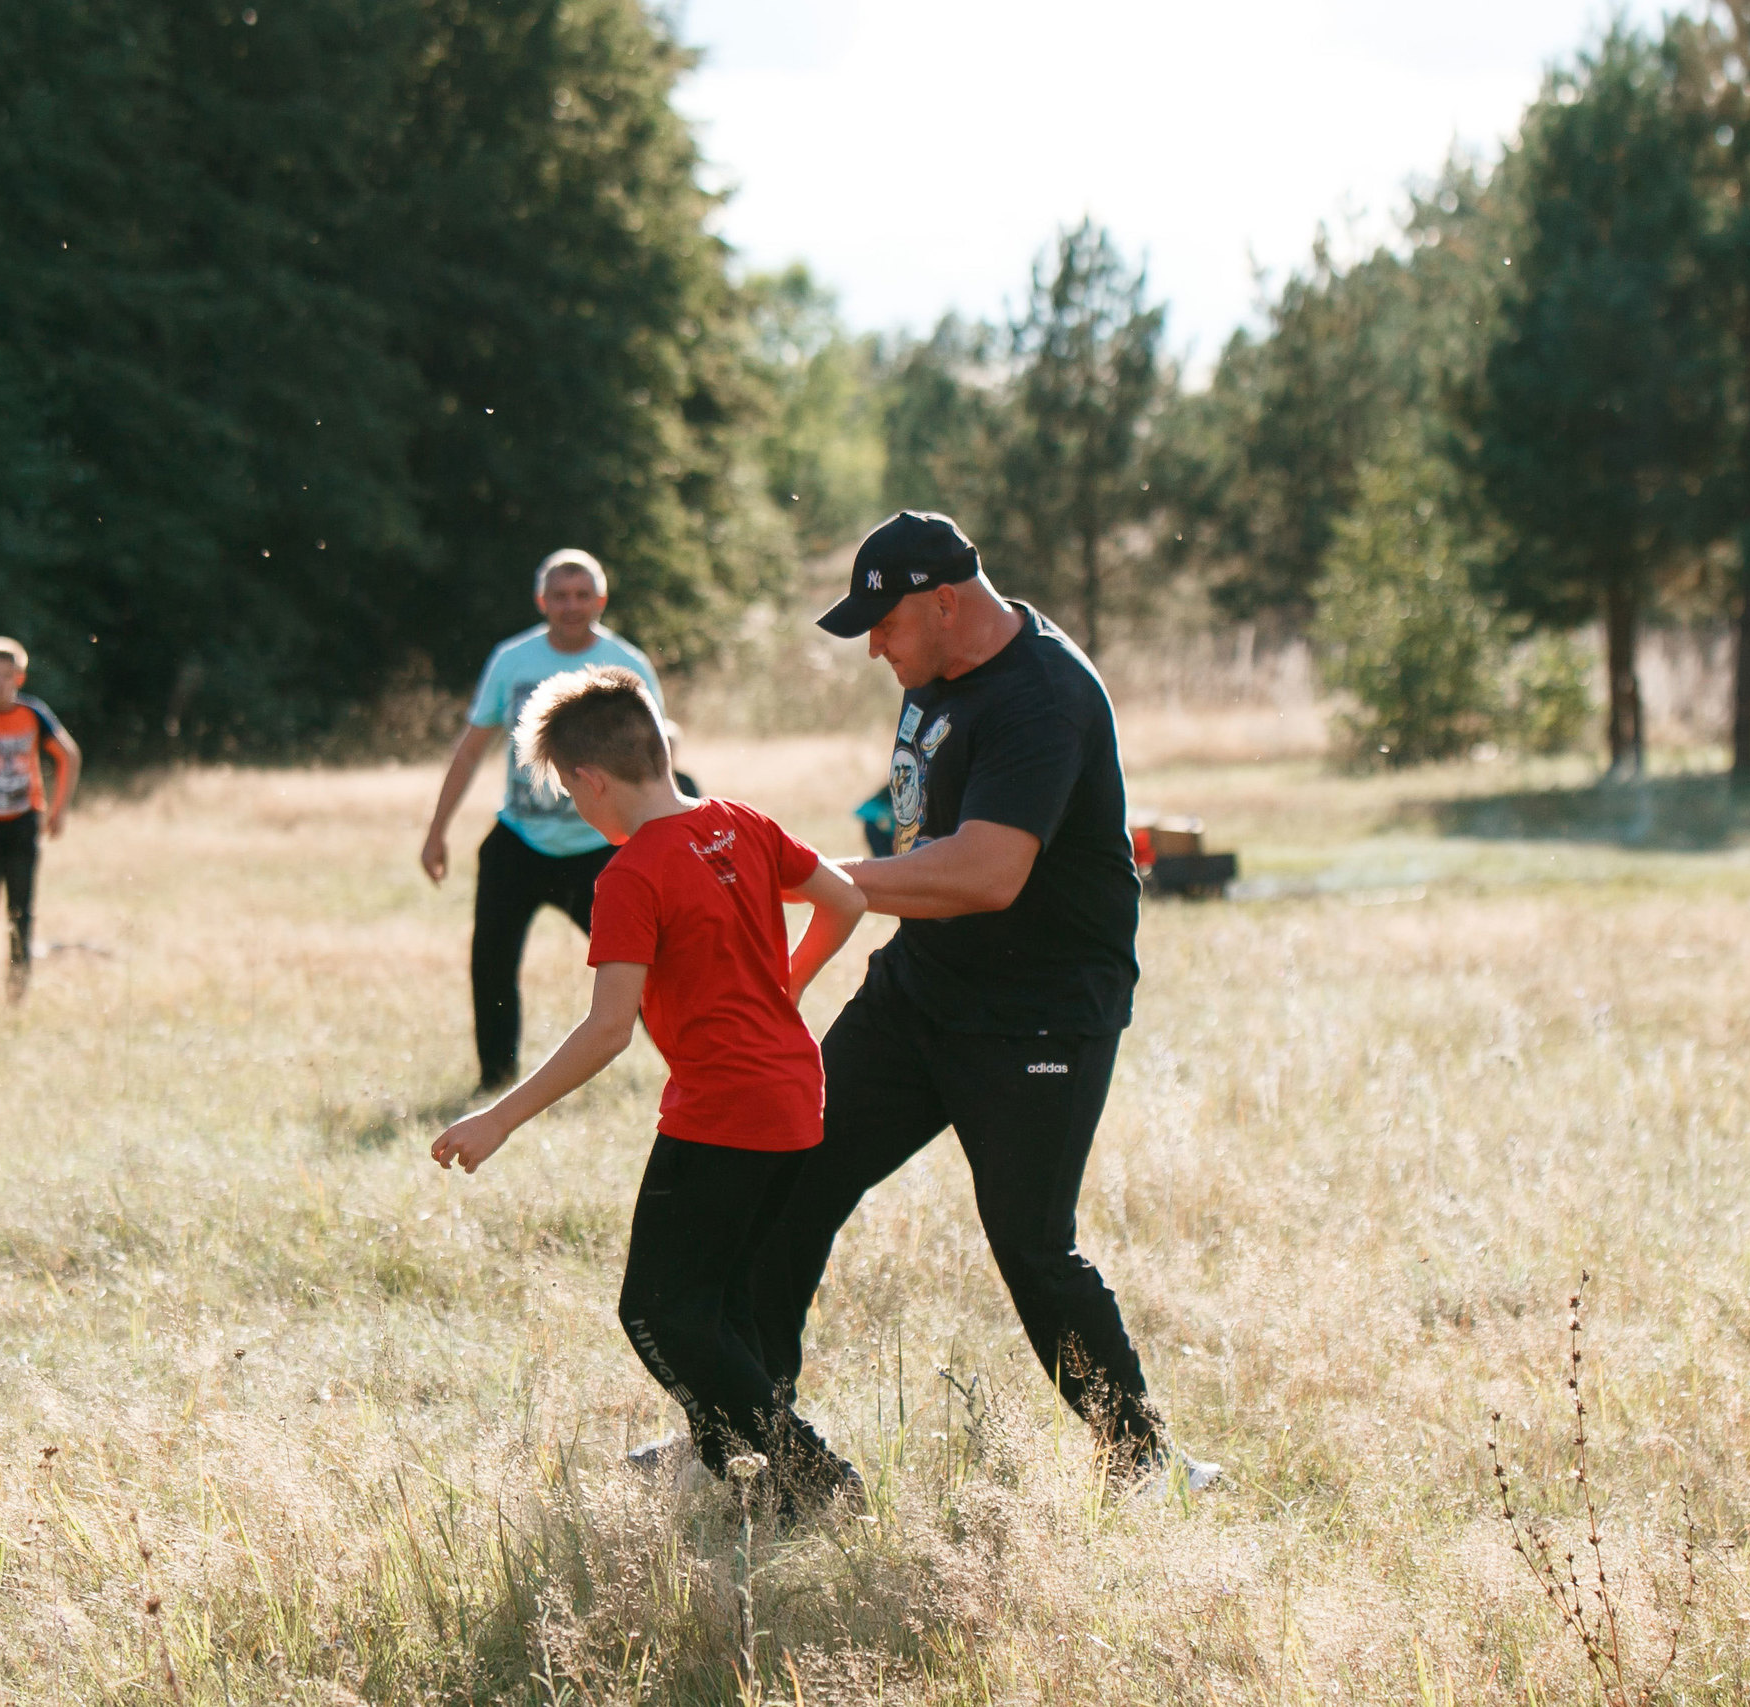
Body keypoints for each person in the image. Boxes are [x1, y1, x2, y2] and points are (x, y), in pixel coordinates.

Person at [748, 511, 1216, 1496]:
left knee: (1030, 1242)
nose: (873, 645)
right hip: (924, 986)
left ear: (945, 602)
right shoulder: (932, 678)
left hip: (1039, 1015)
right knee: (790, 1172)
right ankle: (751, 1437)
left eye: (882, 625)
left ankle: (1147, 1465)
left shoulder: (1043, 698)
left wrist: (802, 878)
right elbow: (921, 839)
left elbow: (989, 871)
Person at [430, 666, 869, 1515]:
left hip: (723, 1111)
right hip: (794, 1095)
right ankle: (742, 1468)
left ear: (591, 780)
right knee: (723, 1302)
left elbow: (607, 1028)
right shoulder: (741, 822)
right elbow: (845, 899)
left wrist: (500, 1117)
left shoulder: (629, 875)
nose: (574, 804)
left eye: (566, 789)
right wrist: (789, 985)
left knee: (658, 1313)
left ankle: (814, 1477)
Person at [420, 551, 665, 1090]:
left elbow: (659, 755)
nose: (571, 605)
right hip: (521, 840)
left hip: (600, 844)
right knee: (492, 964)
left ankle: (688, 1063)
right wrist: (437, 831)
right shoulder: (512, 660)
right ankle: (496, 1080)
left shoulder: (628, 665)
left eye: (583, 595)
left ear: (601, 600)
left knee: (645, 970)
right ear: (541, 601)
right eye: (560, 595)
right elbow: (469, 751)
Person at [0, 637, 80, 1000]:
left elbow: (68, 754)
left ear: (19, 679)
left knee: (21, 911)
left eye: (7, 676)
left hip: (23, 823)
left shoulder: (33, 713)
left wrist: (59, 810)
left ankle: (18, 986)